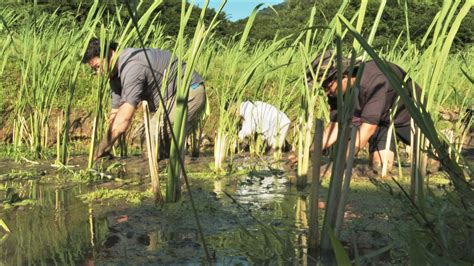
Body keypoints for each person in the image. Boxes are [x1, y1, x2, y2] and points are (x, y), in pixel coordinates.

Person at [82, 38, 206, 160]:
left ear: (109, 53)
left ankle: (164, 172)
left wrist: (99, 150)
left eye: (98, 67)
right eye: (94, 70)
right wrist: (106, 148)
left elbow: (124, 119)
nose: (98, 73)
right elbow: (115, 114)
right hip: (168, 99)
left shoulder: (131, 66)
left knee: (152, 132)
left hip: (188, 92)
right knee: (144, 135)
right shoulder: (114, 75)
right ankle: (162, 167)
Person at [307, 50, 422, 170]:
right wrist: (306, 153)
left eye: (327, 86)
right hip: (381, 122)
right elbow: (335, 126)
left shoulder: (374, 80)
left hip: (410, 117)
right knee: (379, 167)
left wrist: (337, 166)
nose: (326, 92)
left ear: (343, 76)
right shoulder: (337, 93)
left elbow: (367, 129)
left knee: (431, 163)